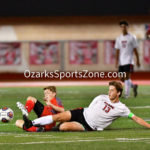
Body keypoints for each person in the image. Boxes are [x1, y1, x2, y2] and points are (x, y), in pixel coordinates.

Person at [17, 81, 150, 131]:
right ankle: (31, 123)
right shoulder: (101, 97)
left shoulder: (123, 108)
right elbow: (90, 107)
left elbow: (136, 118)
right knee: (59, 116)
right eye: (109, 89)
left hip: (89, 125)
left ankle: (40, 128)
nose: (109, 92)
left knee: (63, 127)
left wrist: (149, 126)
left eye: (112, 90)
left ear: (118, 93)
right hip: (81, 113)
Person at [115, 20, 140, 98]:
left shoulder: (132, 37)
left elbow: (135, 50)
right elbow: (117, 50)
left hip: (129, 60)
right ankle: (133, 86)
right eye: (122, 26)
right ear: (120, 28)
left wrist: (138, 60)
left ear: (127, 27)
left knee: (126, 77)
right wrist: (116, 61)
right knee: (122, 79)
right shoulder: (119, 38)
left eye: (124, 26)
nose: (123, 28)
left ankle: (126, 94)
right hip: (121, 61)